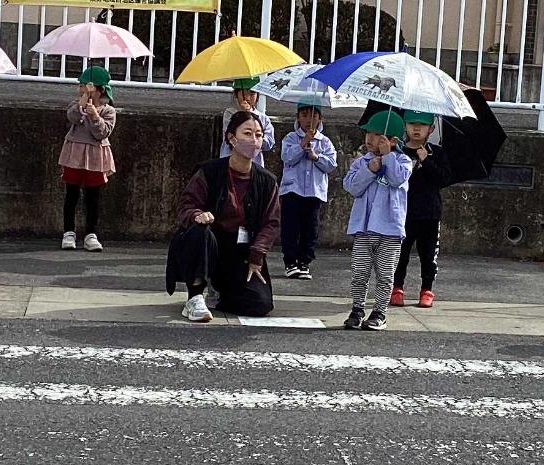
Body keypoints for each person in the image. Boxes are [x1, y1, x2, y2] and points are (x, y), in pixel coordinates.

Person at [388, 92, 506, 309]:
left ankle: (426, 289)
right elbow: (393, 179)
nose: (416, 129)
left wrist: (427, 161)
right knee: (400, 253)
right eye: (412, 124)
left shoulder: (437, 152)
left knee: (428, 254)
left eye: (422, 125)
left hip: (430, 212)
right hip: (402, 212)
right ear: (404, 126)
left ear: (431, 129)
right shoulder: (398, 152)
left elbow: (443, 179)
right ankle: (397, 287)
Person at [168, 110, 282, 323]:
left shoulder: (267, 181)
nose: (254, 140)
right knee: (200, 232)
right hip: (210, 243)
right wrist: (197, 215)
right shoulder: (209, 171)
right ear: (232, 138)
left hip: (242, 249)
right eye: (247, 133)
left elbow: (271, 222)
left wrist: (257, 254)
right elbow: (186, 206)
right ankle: (194, 295)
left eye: (258, 135)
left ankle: (220, 292)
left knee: (260, 304)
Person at [342, 109, 412, 330]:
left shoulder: (403, 161)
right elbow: (352, 187)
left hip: (389, 229)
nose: (370, 139)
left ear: (393, 140)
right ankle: (357, 308)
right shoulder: (362, 161)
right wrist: (370, 170)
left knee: (385, 273)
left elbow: (397, 179)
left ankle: (380, 311)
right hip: (363, 227)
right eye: (368, 134)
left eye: (377, 135)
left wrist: (387, 157)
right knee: (360, 271)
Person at [59, 64, 117, 252]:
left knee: (93, 196)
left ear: (99, 90)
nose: (81, 88)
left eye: (85, 85)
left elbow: (102, 133)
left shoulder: (108, 111)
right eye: (81, 86)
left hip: (95, 156)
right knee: (72, 194)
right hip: (75, 153)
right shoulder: (75, 106)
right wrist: (82, 105)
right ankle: (68, 232)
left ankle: (91, 234)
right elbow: (72, 117)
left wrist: (94, 115)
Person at [277, 101, 336, 279]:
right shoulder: (290, 138)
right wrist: (303, 143)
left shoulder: (324, 141)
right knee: (290, 228)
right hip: (292, 190)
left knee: (310, 229)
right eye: (304, 115)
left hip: (314, 191)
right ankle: (290, 262)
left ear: (320, 118)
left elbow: (331, 165)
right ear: (298, 118)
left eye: (313, 115)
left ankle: (305, 262)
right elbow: (287, 157)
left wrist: (316, 157)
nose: (309, 119)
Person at [219, 77, 275, 166]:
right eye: (244, 94)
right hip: (230, 162)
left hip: (254, 164)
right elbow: (229, 136)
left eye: (252, 94)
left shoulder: (264, 118)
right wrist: (245, 114)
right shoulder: (229, 113)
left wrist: (258, 139)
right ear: (236, 94)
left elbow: (269, 143)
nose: (248, 98)